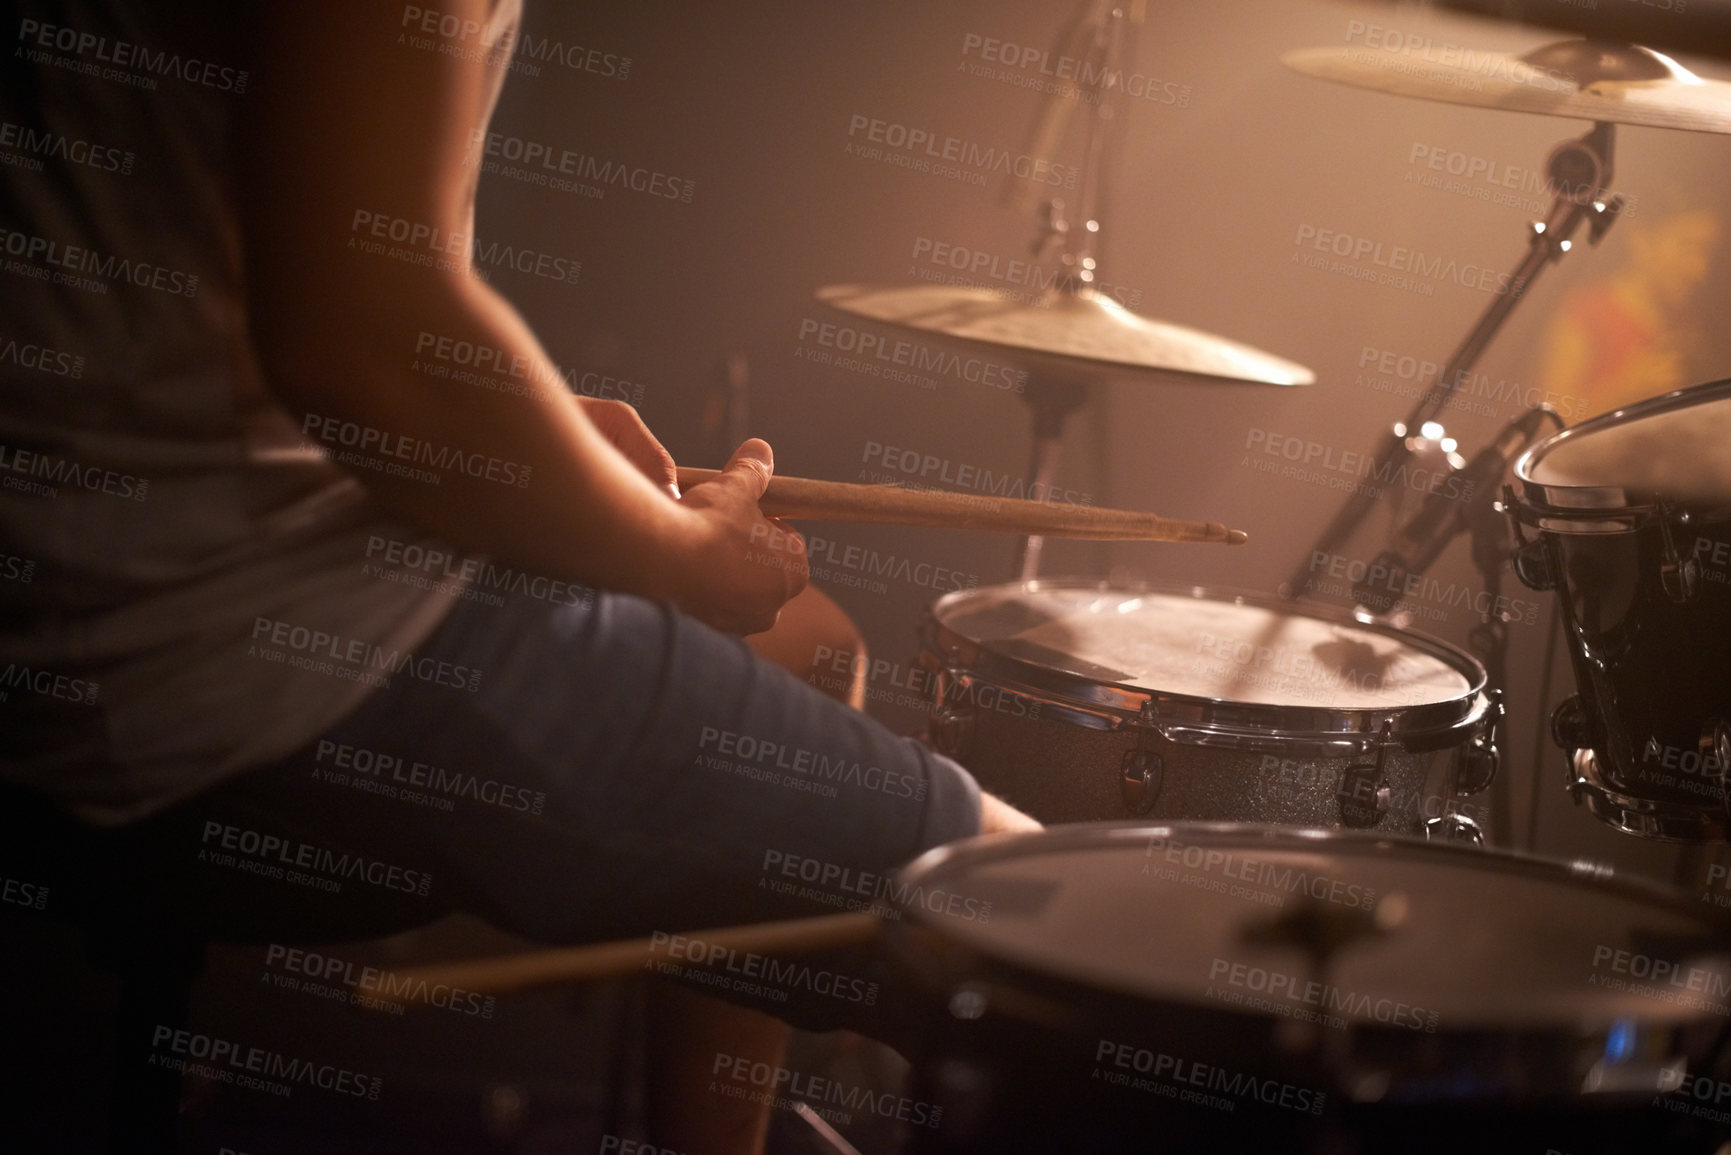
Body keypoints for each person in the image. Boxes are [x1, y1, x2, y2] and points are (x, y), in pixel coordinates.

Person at [0, 0, 1038, 1149]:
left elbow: (261, 259)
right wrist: (687, 558)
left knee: (810, 647)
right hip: (207, 620)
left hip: (88, 566)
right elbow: (366, 350)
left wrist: (522, 436)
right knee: (1056, 937)